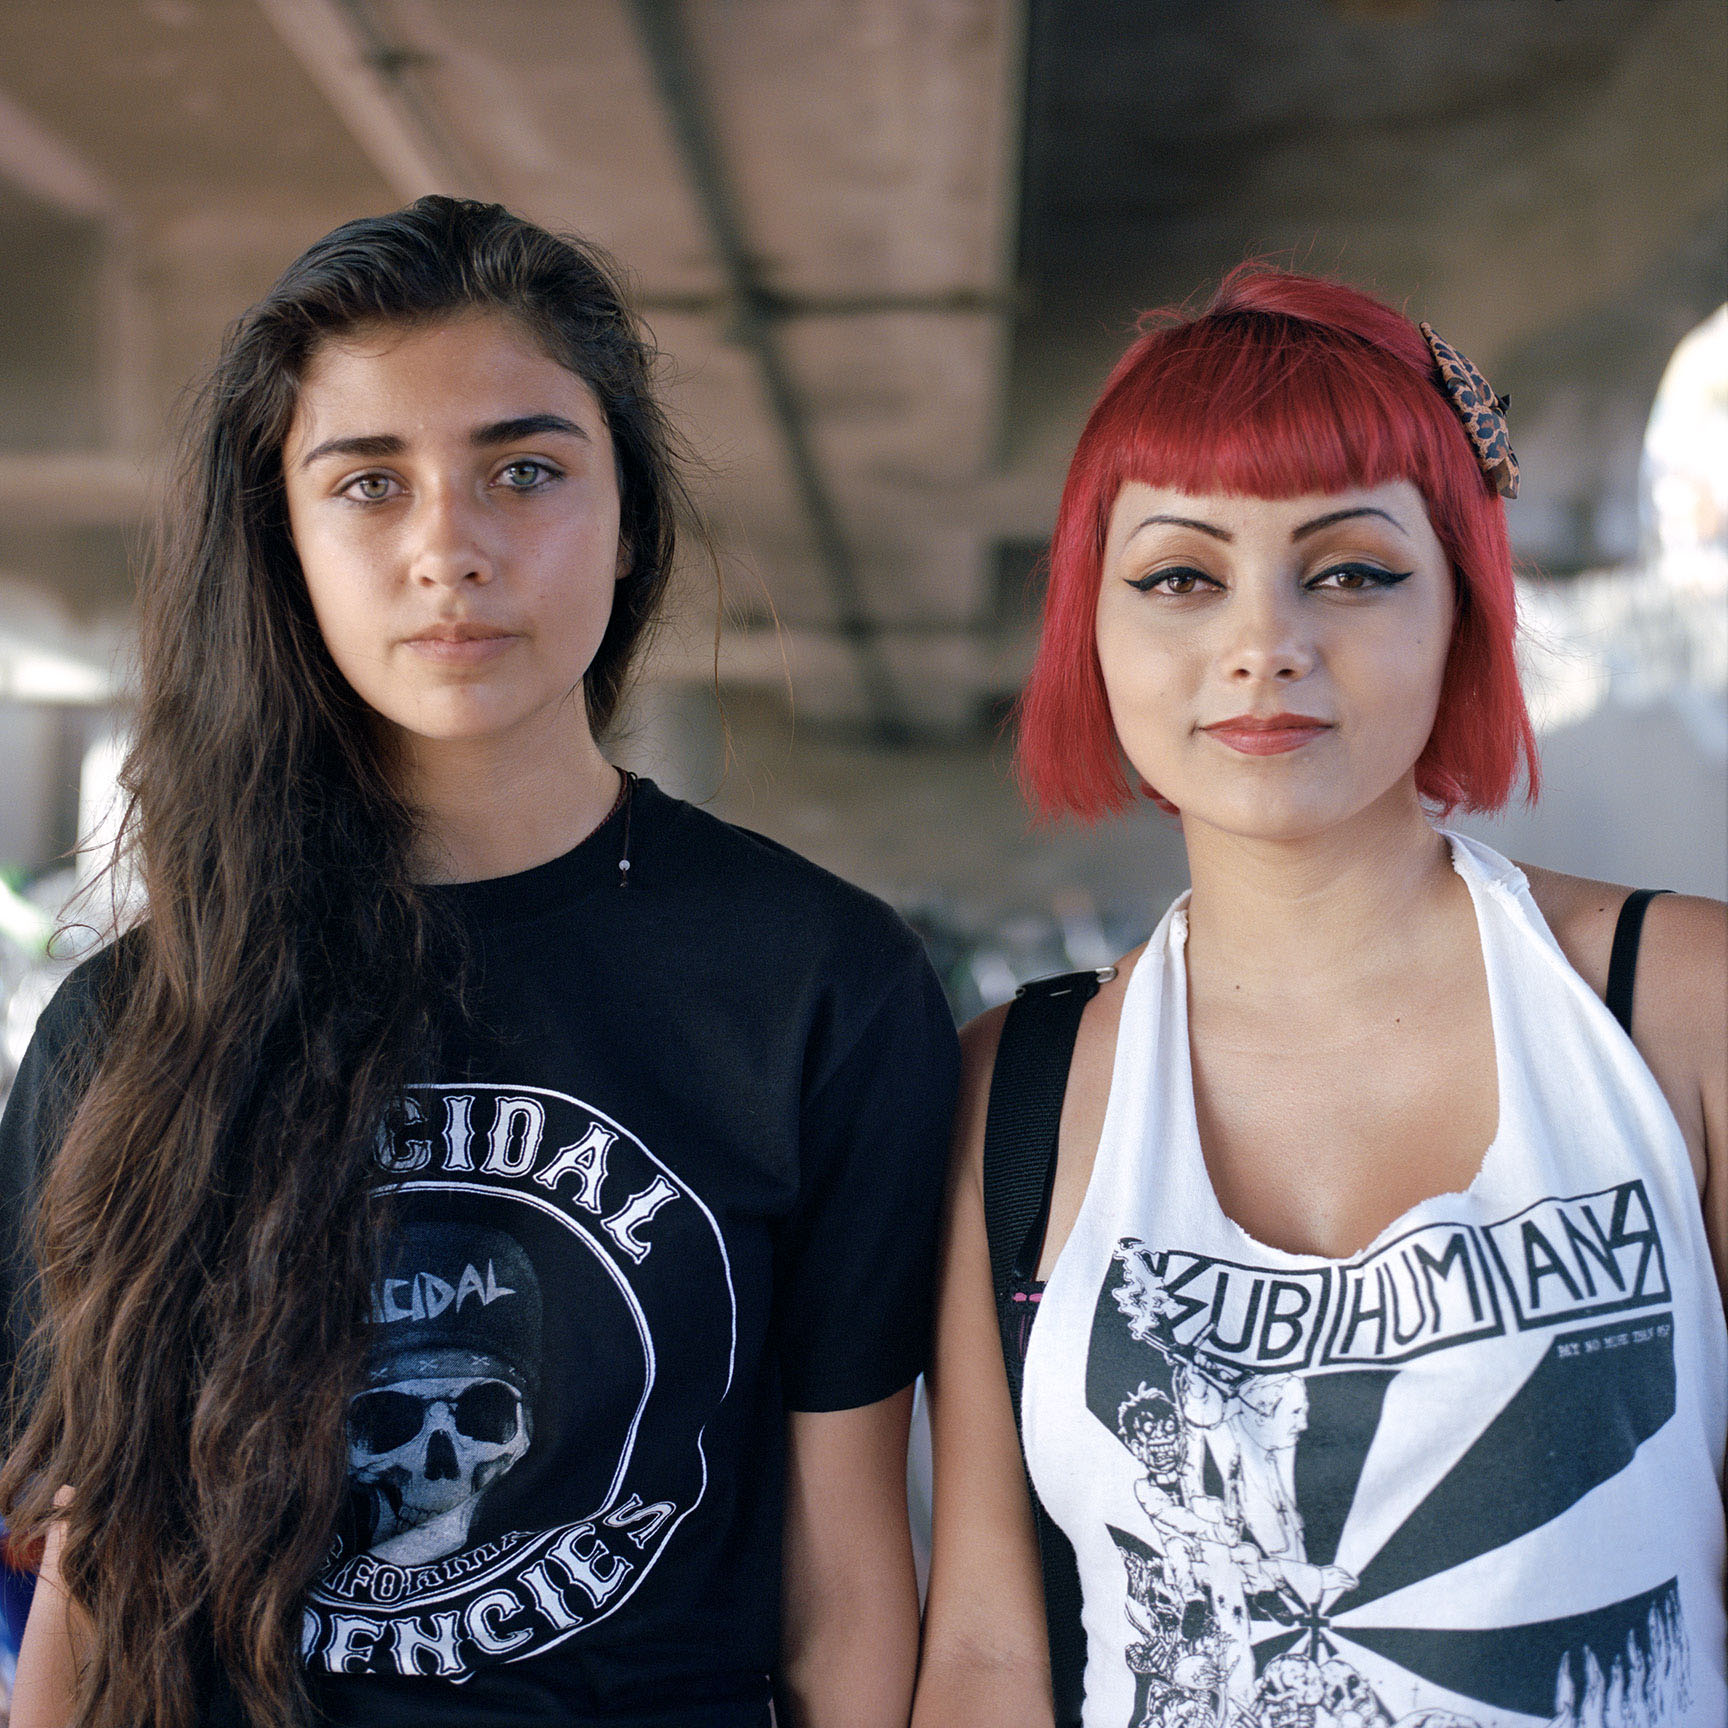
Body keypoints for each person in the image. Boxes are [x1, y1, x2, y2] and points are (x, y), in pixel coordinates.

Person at [0, 197, 958, 1728]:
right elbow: (95, 1569)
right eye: (369, 484)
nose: (452, 546)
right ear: (285, 542)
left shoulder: (815, 983)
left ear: (629, 515)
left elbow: (847, 1592)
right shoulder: (131, 1029)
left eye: (524, 470)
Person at [912, 266, 1726, 1728]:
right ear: (1091, 629)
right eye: (1180, 576)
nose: (1265, 642)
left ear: (1464, 607)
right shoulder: (1011, 1091)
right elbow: (985, 1651)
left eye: (1350, 569)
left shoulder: (1679, 1009)